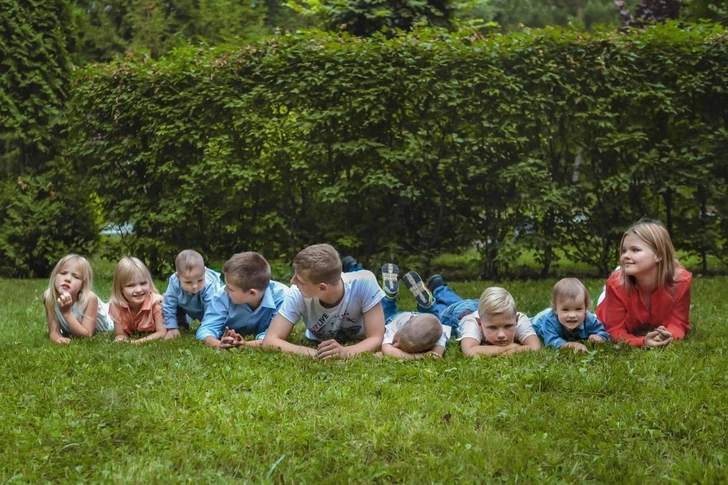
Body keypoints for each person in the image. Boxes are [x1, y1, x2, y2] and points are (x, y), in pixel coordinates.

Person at [262, 243, 385, 359]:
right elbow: (270, 340)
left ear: (322, 288)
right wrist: (316, 354)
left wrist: (345, 352)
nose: (292, 282)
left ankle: (389, 297)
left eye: (300, 280)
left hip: (370, 308)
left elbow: (376, 337)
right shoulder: (296, 292)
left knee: (390, 313)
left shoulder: (364, 283)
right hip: (318, 340)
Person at [596, 218, 692, 348]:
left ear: (658, 255)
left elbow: (679, 322)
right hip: (611, 298)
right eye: (624, 250)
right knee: (613, 287)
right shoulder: (615, 285)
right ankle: (614, 280)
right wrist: (641, 342)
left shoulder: (681, 282)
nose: (625, 255)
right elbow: (614, 330)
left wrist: (668, 335)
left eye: (635, 250)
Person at [402, 270, 540, 356]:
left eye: (508, 326)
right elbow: (469, 351)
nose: (501, 335)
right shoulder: (471, 323)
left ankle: (438, 287)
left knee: (457, 300)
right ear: (480, 323)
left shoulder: (520, 318)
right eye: (492, 328)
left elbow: (535, 347)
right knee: (437, 316)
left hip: (475, 304)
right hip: (456, 315)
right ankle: (428, 304)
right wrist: (510, 349)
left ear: (516, 319)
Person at [196, 251, 288, 350]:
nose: (225, 290)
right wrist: (218, 344)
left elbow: (275, 337)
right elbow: (206, 329)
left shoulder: (282, 297)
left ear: (252, 293)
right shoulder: (222, 295)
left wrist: (247, 344)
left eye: (231, 289)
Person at [379, 263, 450, 359]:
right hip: (401, 319)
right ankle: (389, 298)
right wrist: (422, 356)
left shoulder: (395, 328)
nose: (395, 346)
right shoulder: (439, 333)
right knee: (434, 322)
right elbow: (437, 354)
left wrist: (413, 356)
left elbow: (387, 349)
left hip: (417, 317)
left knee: (434, 318)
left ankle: (428, 305)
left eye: (395, 342)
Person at [43, 254, 114, 344]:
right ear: (55, 275)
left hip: (110, 318)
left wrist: (67, 313)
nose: (67, 279)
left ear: (83, 285)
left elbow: (86, 335)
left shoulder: (90, 299)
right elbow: (53, 332)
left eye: (76, 276)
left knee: (114, 308)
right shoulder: (49, 296)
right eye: (63, 273)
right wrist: (57, 338)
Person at [531, 277, 610, 352]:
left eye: (578, 309)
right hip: (539, 321)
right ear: (555, 309)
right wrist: (569, 345)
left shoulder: (589, 319)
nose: (572, 315)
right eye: (565, 310)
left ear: (586, 308)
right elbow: (551, 341)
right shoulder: (550, 321)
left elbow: (602, 332)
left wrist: (598, 337)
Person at [162, 249, 222, 340]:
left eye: (200, 280)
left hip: (214, 309)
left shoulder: (210, 285)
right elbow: (169, 304)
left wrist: (205, 328)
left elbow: (212, 310)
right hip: (186, 302)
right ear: (178, 276)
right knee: (171, 301)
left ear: (204, 272)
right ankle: (181, 323)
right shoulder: (174, 282)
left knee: (213, 319)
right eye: (188, 282)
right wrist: (171, 327)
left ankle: (206, 325)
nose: (195, 286)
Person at [108, 256, 166, 344]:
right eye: (131, 285)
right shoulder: (116, 305)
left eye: (143, 283)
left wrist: (137, 342)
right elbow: (120, 334)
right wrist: (120, 339)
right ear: (120, 288)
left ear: (149, 283)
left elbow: (162, 332)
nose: (139, 290)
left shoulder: (157, 303)